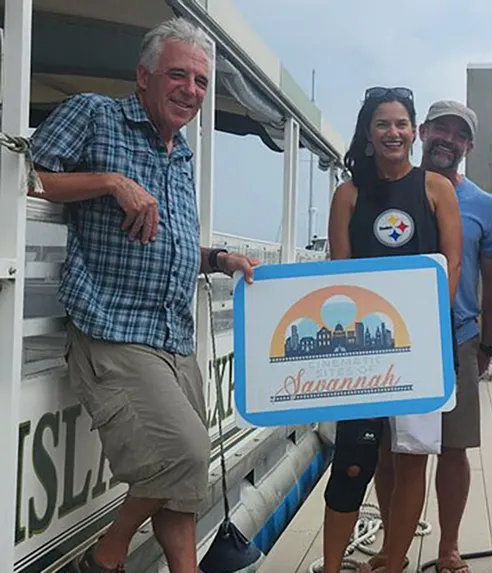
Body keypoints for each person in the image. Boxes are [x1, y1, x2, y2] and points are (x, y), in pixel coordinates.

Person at [27, 18, 259, 573]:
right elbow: (28, 177)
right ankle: (105, 557)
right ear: (143, 77)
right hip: (113, 327)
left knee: (183, 487)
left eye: (201, 82)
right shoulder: (95, 114)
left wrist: (219, 259)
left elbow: (173, 243)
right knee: (183, 452)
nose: (191, 90)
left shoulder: (180, 155)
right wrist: (111, 182)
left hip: (173, 335)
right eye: (178, 75)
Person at [322, 87, 463, 573]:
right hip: (361, 350)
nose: (393, 133)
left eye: (402, 124)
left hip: (422, 349)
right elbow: (337, 276)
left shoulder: (436, 189)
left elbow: (453, 267)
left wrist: (423, 333)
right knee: (353, 459)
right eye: (383, 124)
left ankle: (393, 560)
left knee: (411, 458)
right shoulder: (348, 195)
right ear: (367, 132)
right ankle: (332, 565)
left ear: (414, 131)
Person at [370, 99, 492, 573]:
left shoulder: (484, 205)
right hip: (388, 342)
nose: (448, 139)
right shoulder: (382, 189)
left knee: (453, 446)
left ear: (469, 145)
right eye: (440, 130)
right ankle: (392, 547)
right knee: (389, 448)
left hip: (456, 338)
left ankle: (448, 547)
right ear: (423, 131)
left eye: (459, 134)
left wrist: (487, 344)